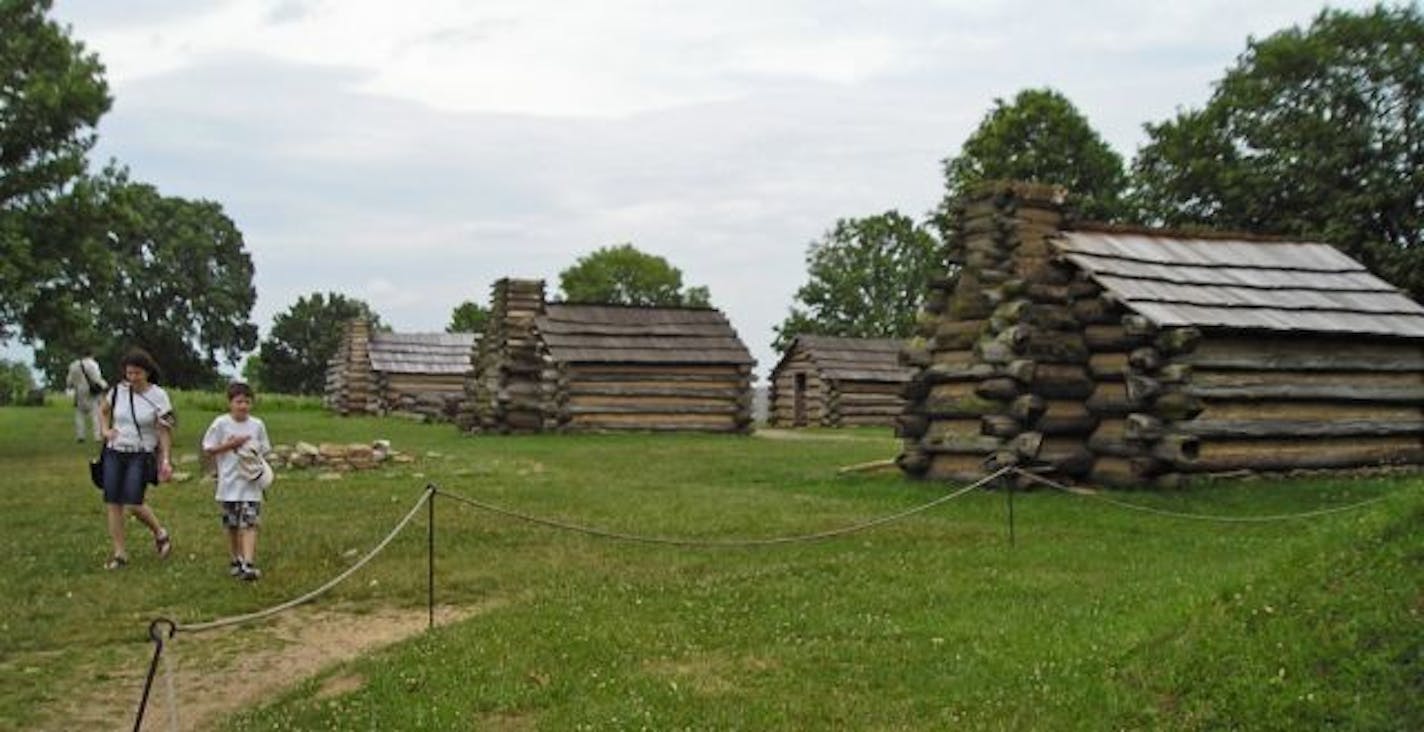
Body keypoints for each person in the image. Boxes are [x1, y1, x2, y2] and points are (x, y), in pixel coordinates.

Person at [97, 349, 175, 569]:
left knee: (133, 502)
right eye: (129, 373)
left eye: (137, 373)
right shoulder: (118, 391)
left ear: (147, 372)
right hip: (115, 450)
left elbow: (164, 430)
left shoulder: (158, 396)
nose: (132, 378)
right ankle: (120, 553)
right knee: (113, 501)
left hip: (141, 452)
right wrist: (105, 430)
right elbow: (103, 410)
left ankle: (159, 532)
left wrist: (166, 460)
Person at [202, 381, 272, 581]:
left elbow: (265, 449)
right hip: (229, 484)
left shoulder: (257, 425)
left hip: (250, 484)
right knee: (232, 524)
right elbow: (209, 448)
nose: (243, 406)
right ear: (230, 403)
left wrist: (253, 456)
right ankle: (236, 559)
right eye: (239, 402)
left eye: (247, 402)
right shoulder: (220, 424)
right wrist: (231, 445)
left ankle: (248, 563)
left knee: (250, 522)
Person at [65, 353, 107, 442]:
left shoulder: (73, 365)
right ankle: (97, 436)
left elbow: (69, 382)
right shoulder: (93, 364)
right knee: (95, 413)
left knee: (79, 414)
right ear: (91, 355)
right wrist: (104, 386)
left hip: (79, 392)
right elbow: (97, 379)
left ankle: (80, 436)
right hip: (91, 391)